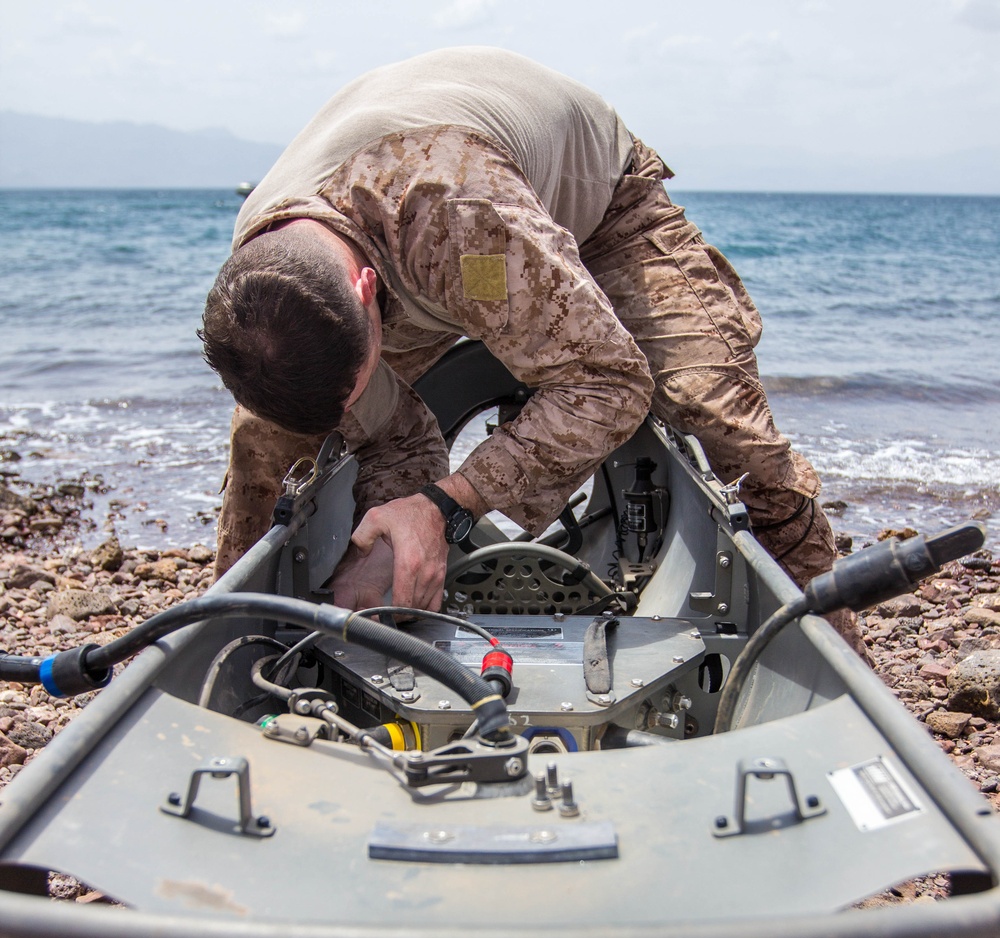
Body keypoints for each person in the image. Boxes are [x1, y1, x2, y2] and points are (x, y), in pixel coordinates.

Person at [202, 47, 861, 649]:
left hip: (599, 213)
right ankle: (230, 641)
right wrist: (388, 540)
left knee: (724, 428)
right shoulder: (265, 274)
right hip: (426, 243)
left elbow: (607, 381)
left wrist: (448, 504)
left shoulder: (462, 217)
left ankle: (832, 651)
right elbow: (387, 429)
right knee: (265, 440)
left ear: (365, 289)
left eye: (362, 378)